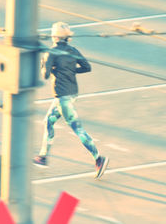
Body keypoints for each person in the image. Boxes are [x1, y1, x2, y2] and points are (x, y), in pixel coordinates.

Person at [33, 22, 109, 179]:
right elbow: (87, 67)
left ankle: (99, 159)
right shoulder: (73, 50)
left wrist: (44, 66)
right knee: (48, 121)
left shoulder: (51, 52)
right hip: (72, 93)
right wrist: (71, 70)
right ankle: (43, 156)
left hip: (62, 96)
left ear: (54, 36)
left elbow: (45, 75)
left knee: (78, 129)